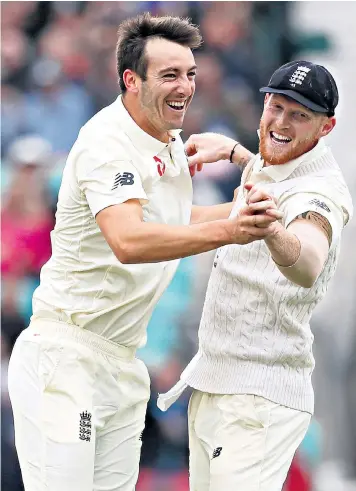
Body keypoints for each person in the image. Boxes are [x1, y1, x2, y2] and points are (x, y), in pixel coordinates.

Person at [7, 13, 282, 491]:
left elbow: (171, 221)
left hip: (122, 363)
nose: (186, 87)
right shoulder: (107, 143)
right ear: (131, 80)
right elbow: (129, 240)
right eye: (170, 75)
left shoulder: (167, 141)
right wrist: (230, 232)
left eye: (191, 74)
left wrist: (238, 212)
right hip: (68, 360)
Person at [158, 60, 354, 491]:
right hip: (217, 384)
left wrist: (272, 232)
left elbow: (306, 261)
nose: (282, 122)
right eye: (276, 106)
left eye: (300, 115)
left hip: (258, 400)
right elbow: (274, 180)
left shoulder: (322, 193)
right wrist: (235, 152)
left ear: (327, 127)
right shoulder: (273, 164)